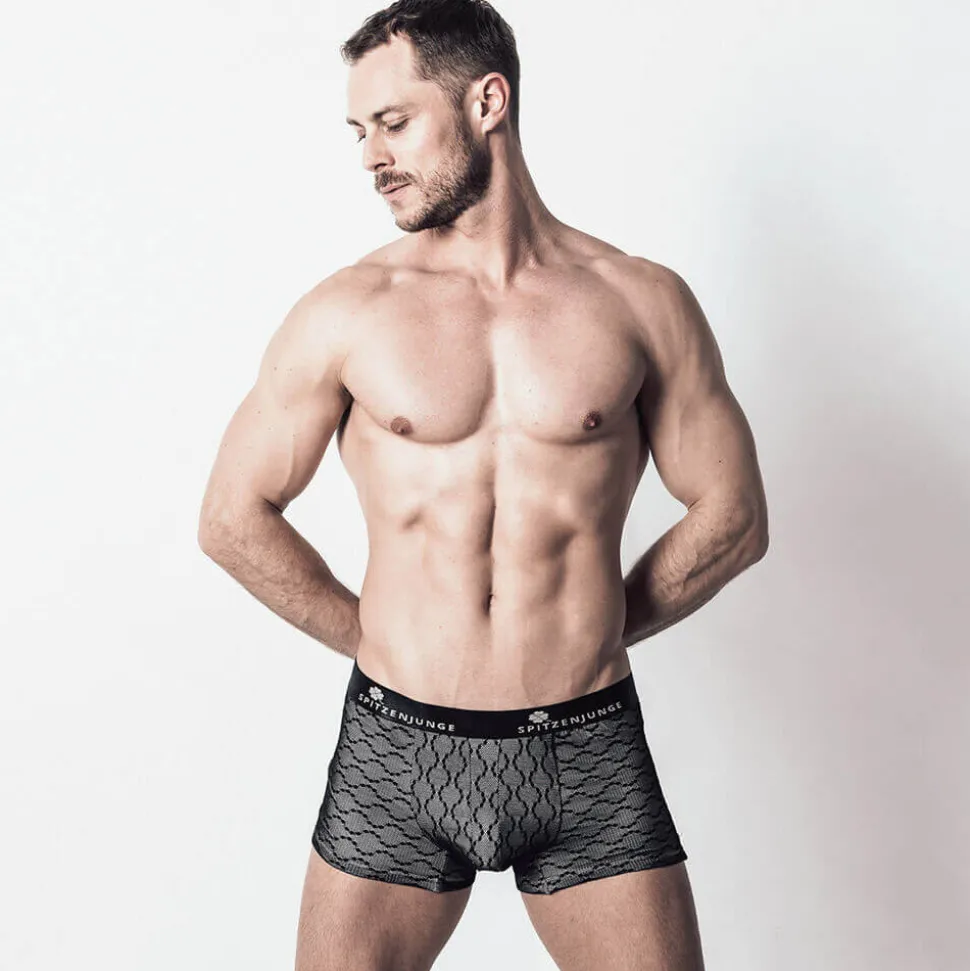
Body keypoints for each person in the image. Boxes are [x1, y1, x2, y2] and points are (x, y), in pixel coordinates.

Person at [197, 1, 768, 968]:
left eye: (393, 122)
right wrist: (373, 635)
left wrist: (593, 627)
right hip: (398, 749)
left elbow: (734, 516)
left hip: (585, 748)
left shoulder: (639, 300)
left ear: (487, 102)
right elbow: (232, 517)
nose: (371, 157)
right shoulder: (348, 311)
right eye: (359, 131)